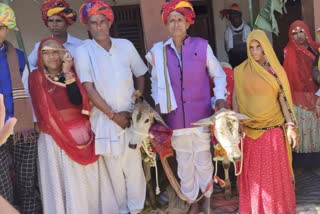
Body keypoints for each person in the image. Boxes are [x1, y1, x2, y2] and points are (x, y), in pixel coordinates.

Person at [146, 0, 227, 213]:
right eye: (171, 20)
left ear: (188, 22)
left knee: (203, 159)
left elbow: (218, 75)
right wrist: (157, 102)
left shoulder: (201, 46)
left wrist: (219, 98)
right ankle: (192, 201)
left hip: (200, 116)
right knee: (184, 163)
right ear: (166, 24)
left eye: (180, 19)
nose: (175, 24)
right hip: (174, 119)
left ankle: (206, 199)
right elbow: (154, 81)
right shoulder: (159, 52)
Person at [28, 37, 119, 214]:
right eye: (46, 53)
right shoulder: (36, 78)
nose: (51, 57)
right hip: (55, 139)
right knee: (66, 181)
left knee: (86, 179)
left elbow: (77, 100)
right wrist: (59, 132)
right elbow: (42, 109)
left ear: (63, 54)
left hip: (81, 135)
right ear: (40, 56)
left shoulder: (73, 74)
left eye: (56, 52)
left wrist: (67, 71)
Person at [75, 1, 147, 213]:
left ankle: (137, 209)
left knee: (134, 168)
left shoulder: (125, 45)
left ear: (109, 23)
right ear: (87, 26)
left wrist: (136, 103)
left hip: (130, 118)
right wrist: (113, 115)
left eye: (102, 22)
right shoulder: (83, 51)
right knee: (114, 170)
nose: (99, 27)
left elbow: (140, 73)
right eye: (93, 23)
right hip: (105, 121)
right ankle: (122, 210)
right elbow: (88, 88)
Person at [233, 29, 298, 214]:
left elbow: (284, 100)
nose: (254, 52)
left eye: (258, 47)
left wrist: (291, 126)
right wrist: (236, 124)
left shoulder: (276, 72)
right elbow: (236, 99)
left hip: (272, 134)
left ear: (265, 48)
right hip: (250, 134)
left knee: (274, 179)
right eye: (251, 47)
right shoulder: (241, 71)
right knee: (255, 181)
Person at [0, 3, 40, 213]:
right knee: (2, 186)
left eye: (0, 26)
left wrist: (35, 121)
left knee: (27, 181)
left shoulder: (19, 56)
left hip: (22, 128)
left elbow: (31, 90)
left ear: (7, 29)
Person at [283, 20, 320, 157]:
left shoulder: (317, 49)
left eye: (301, 32)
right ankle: (304, 161)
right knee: (305, 128)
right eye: (294, 33)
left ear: (307, 32)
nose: (298, 36)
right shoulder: (288, 51)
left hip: (317, 94)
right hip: (298, 95)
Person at [28, 0, 82, 72]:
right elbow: (28, 66)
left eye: (58, 21)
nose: (54, 25)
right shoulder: (40, 47)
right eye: (50, 21)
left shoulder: (80, 45)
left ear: (67, 23)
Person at [220, 3, 251, 68]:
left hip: (247, 64)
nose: (234, 19)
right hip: (234, 64)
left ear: (240, 16)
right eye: (232, 17)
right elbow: (227, 49)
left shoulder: (247, 29)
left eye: (236, 16)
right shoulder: (227, 32)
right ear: (230, 19)